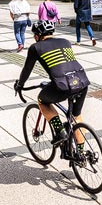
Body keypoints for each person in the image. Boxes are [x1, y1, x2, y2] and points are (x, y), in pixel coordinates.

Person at [13, 20, 89, 156]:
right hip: (82, 82)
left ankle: (60, 131)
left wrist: (20, 85)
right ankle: (81, 154)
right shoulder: (65, 42)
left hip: (62, 86)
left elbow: (27, 69)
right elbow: (64, 65)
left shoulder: (36, 47)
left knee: (42, 100)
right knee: (76, 117)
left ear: (37, 35)